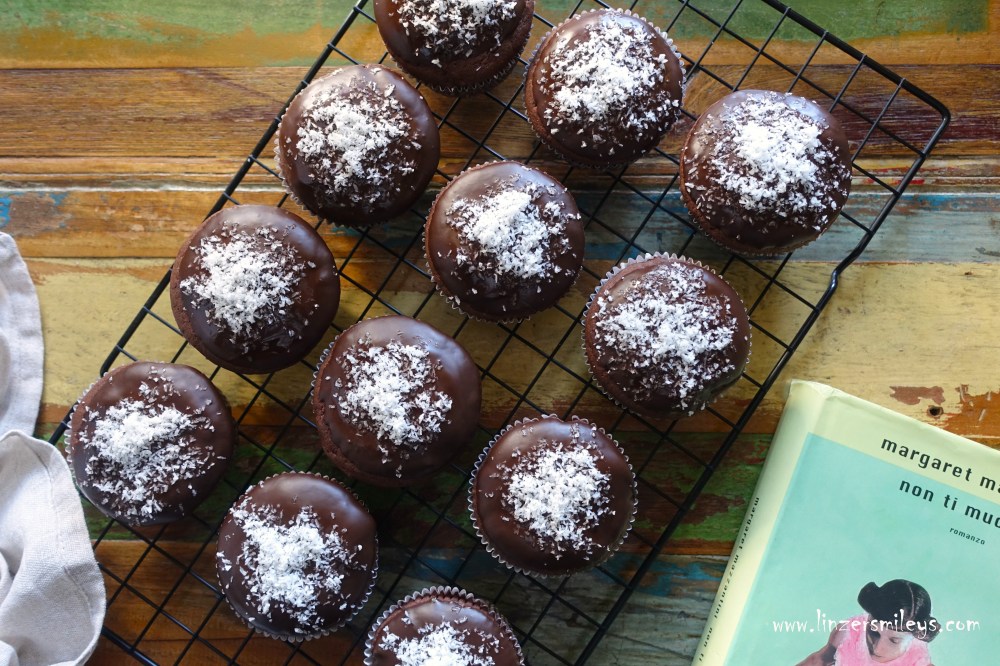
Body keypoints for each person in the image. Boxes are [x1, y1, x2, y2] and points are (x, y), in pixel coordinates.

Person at [796, 579, 940, 665]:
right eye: (873, 631)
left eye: (894, 641)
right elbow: (819, 660)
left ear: (914, 637)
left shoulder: (917, 660)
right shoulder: (848, 633)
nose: (877, 649)